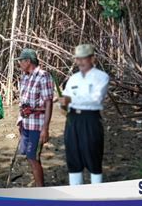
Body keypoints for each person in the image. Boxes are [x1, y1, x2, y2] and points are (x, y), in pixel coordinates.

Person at [59, 44, 109, 185]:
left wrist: (71, 99)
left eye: (84, 58)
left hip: (91, 119)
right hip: (72, 119)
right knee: (73, 158)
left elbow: (96, 99)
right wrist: (62, 103)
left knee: (93, 158)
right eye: (78, 59)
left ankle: (97, 196)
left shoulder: (101, 77)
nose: (80, 62)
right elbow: (65, 97)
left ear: (92, 59)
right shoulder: (73, 78)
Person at [15, 48, 53, 187]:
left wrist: (45, 128)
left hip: (37, 124)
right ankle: (38, 183)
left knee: (33, 156)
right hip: (25, 123)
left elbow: (48, 102)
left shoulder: (43, 76)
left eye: (21, 61)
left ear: (28, 61)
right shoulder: (24, 76)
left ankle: (40, 188)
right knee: (27, 154)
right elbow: (23, 102)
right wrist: (20, 121)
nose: (19, 64)